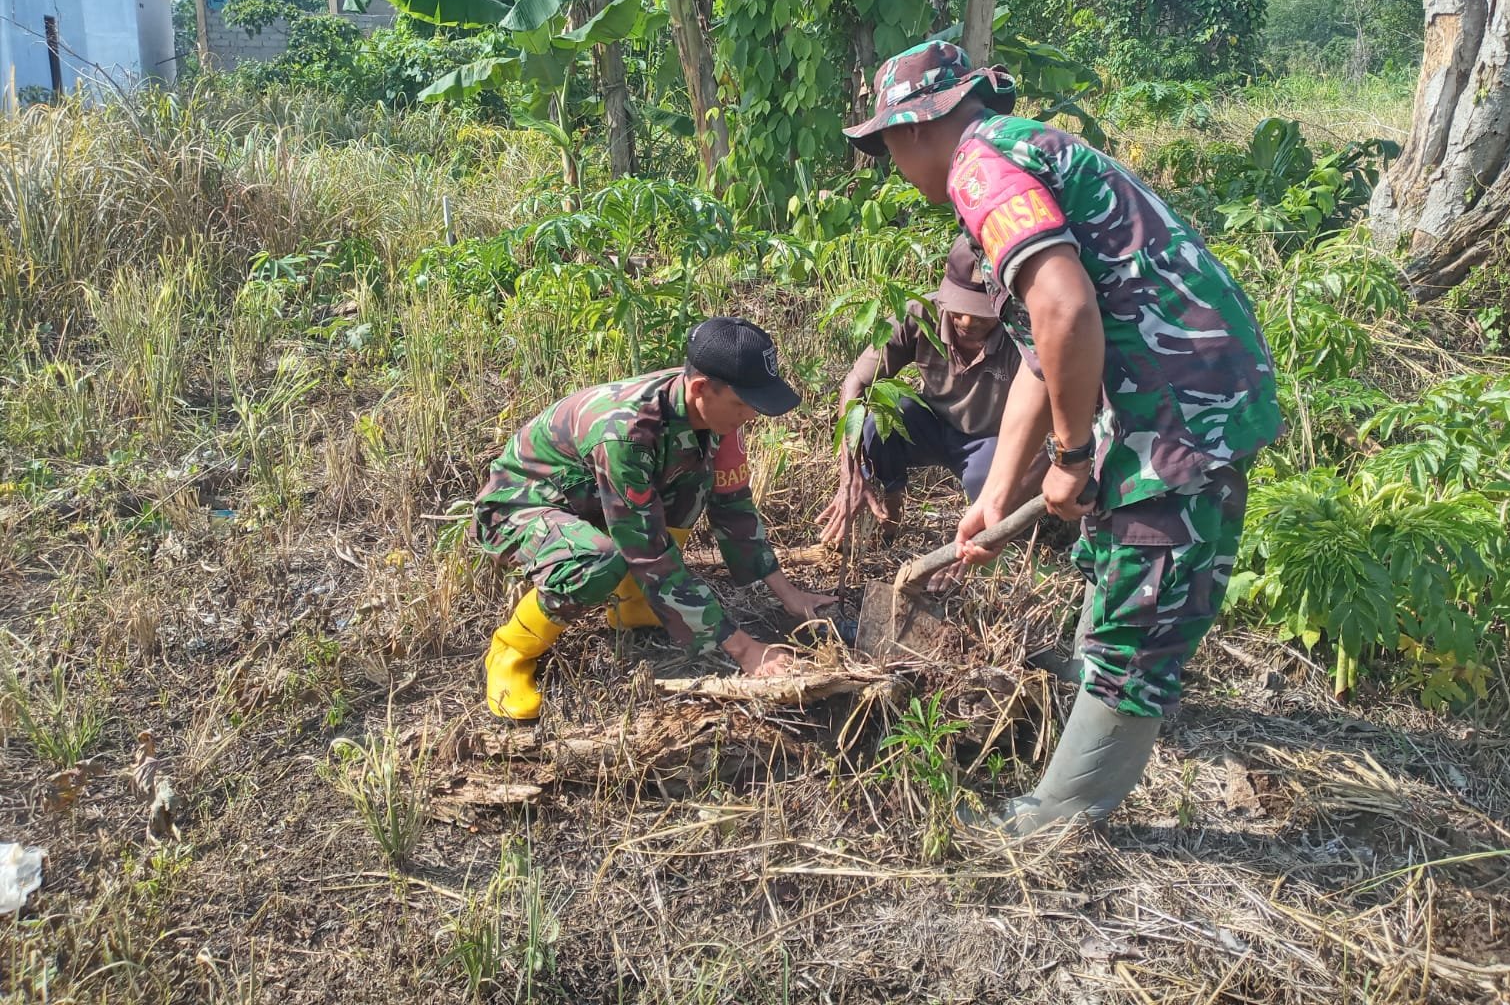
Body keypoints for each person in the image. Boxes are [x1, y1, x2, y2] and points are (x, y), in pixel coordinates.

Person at [842, 41, 1283, 834]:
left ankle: (1057, 816)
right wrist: (1001, 496)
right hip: (1174, 387)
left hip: (1179, 404)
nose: (893, 165)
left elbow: (1068, 312)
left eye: (886, 147)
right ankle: (1080, 686)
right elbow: (1045, 364)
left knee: (1143, 603)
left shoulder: (980, 170)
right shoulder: (1022, 153)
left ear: (913, 130)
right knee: (1112, 553)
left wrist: (1073, 456)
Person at [473, 317, 836, 720]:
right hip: (523, 503)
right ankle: (511, 651)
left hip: (591, 495)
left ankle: (633, 606)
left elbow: (733, 505)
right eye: (743, 404)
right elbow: (647, 552)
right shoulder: (625, 432)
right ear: (701, 388)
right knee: (599, 559)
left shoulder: (711, 411)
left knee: (695, 481)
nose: (752, 415)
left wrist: (789, 596)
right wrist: (746, 649)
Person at [817, 238, 1033, 559]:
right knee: (880, 421)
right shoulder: (919, 314)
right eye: (959, 308)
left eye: (982, 313)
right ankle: (891, 512)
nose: (967, 322)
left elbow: (1044, 416)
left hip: (991, 439)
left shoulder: (1021, 332)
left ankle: (994, 551)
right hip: (931, 424)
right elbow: (855, 385)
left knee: (988, 490)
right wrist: (850, 477)